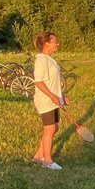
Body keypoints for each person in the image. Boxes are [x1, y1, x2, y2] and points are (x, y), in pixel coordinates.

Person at [32, 31, 68, 170]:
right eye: (55, 42)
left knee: (56, 127)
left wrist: (61, 95)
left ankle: (38, 155)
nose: (57, 44)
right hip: (45, 100)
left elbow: (54, 81)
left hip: (54, 99)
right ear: (46, 43)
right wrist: (52, 96)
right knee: (50, 128)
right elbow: (39, 82)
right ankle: (47, 161)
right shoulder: (41, 60)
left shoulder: (50, 59)